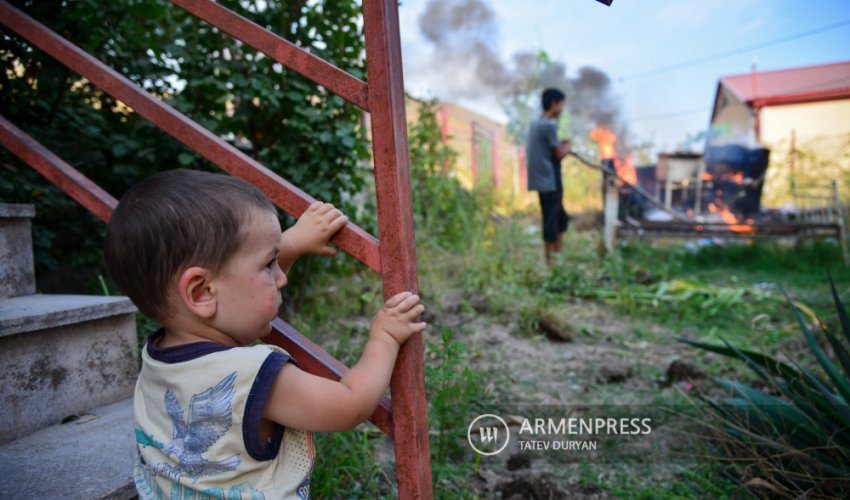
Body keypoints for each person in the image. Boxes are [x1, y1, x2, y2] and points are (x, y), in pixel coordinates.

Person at [105, 169, 426, 499]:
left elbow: (234, 284)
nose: (281, 278)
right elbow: (350, 405)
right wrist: (384, 338)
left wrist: (295, 241)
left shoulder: (157, 361)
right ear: (201, 293)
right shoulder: (254, 376)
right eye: (269, 264)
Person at [526, 88, 572, 265]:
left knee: (559, 218)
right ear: (553, 104)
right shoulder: (547, 125)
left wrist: (560, 146)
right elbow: (558, 155)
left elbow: (548, 148)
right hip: (550, 181)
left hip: (541, 180)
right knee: (553, 220)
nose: (562, 108)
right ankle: (552, 263)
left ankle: (555, 260)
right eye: (561, 104)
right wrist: (566, 147)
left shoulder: (536, 123)